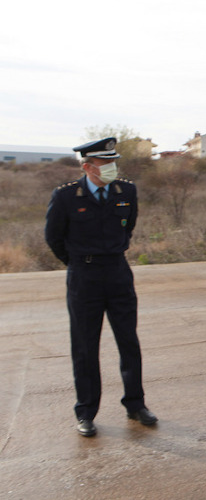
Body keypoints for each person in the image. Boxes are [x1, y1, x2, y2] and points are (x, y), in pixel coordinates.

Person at [45, 137, 157, 437]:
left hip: (118, 272)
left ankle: (136, 405)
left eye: (113, 163)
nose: (111, 168)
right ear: (87, 167)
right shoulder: (66, 196)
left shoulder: (126, 191)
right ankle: (86, 412)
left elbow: (128, 226)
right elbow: (54, 238)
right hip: (84, 276)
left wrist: (110, 253)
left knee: (129, 342)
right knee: (84, 347)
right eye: (105, 164)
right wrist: (81, 262)